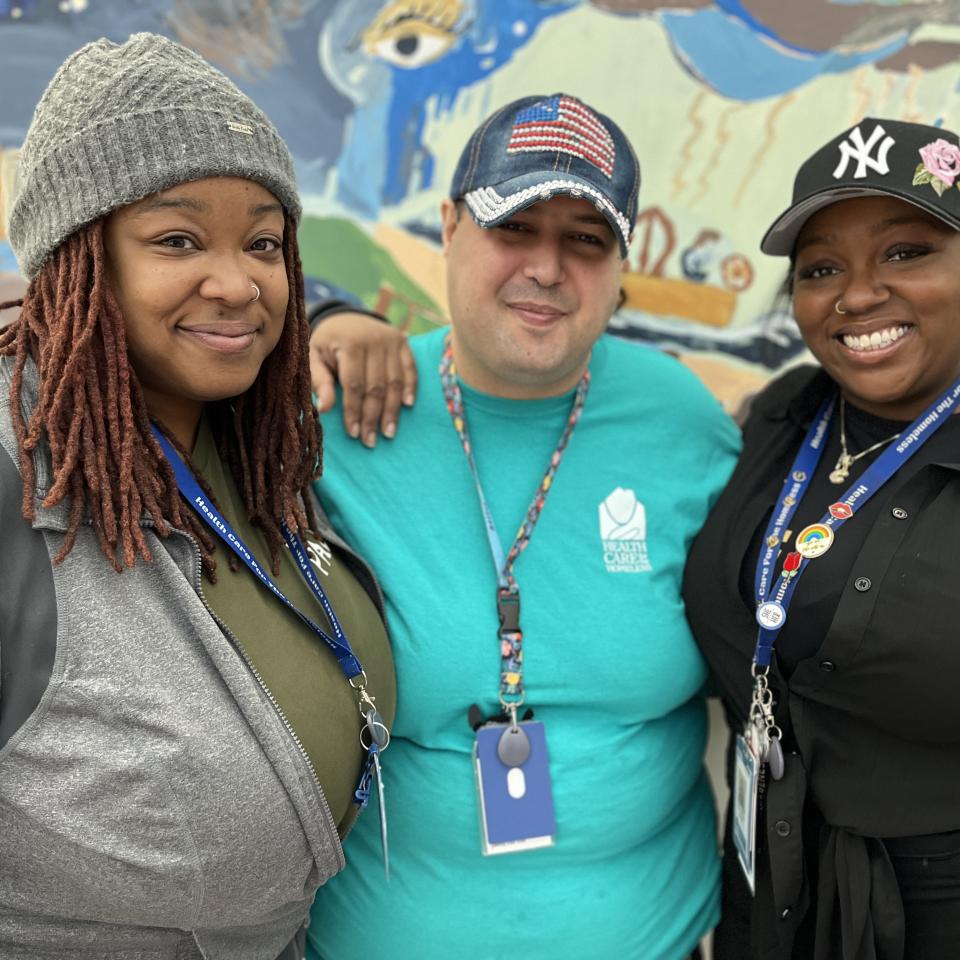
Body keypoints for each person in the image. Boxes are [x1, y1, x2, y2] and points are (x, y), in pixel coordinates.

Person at [305, 94, 741, 960]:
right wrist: (317, 313)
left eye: (585, 239)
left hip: (653, 936)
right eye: (515, 227)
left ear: (621, 265)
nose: (547, 267)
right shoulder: (337, 417)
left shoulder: (684, 422)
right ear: (450, 227)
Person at [0, 33, 395, 959]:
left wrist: (337, 316)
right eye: (177, 239)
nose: (238, 281)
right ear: (78, 260)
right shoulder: (16, 468)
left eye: (263, 242)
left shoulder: (247, 435)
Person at [683, 117, 960, 960]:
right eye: (822, 268)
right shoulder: (781, 415)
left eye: (907, 252)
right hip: (765, 888)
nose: (858, 294)